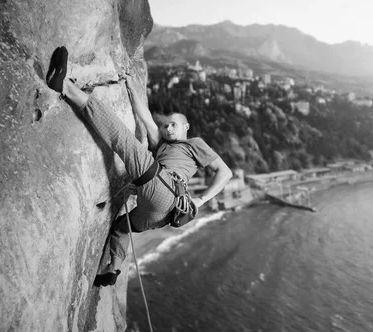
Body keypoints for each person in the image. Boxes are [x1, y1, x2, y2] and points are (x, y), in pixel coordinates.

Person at [46, 46, 233, 286]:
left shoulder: (194, 144)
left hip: (165, 189)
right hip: (159, 214)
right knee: (121, 227)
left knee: (121, 139)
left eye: (174, 125)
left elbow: (224, 172)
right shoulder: (161, 143)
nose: (168, 129)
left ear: (187, 127)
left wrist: (200, 200)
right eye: (166, 126)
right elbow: (145, 117)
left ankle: (64, 86)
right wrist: (132, 87)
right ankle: (112, 270)